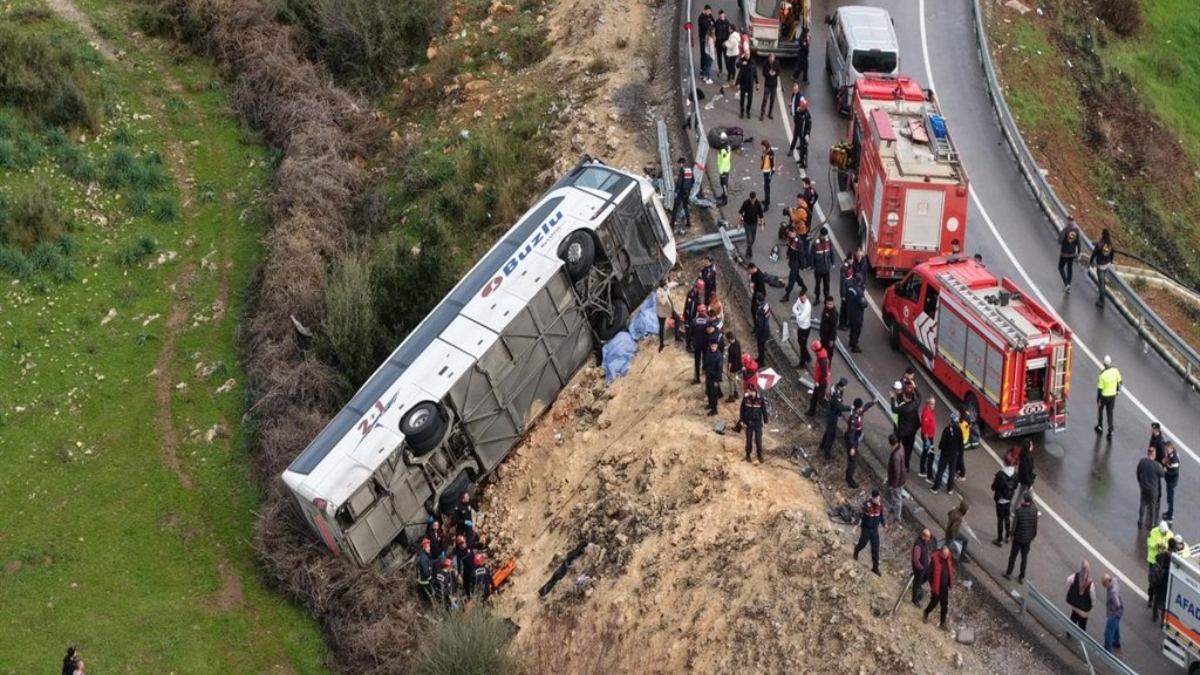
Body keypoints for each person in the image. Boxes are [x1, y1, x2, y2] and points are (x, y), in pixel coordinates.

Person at [1004, 493, 1038, 583]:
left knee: (1013, 556)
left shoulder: (1019, 511)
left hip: (1018, 538)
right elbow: (1035, 525)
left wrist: (1011, 535)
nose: (1021, 500)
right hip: (1028, 539)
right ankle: (1021, 576)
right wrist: (1033, 535)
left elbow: (1014, 526)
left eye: (1022, 499)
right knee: (1024, 558)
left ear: (1025, 500)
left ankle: (1008, 572)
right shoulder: (1034, 510)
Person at [852, 489, 886, 576]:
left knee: (875, 548)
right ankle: (857, 549)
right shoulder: (866, 505)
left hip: (875, 530)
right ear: (873, 498)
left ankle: (875, 567)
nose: (878, 500)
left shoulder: (880, 505)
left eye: (879, 498)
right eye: (876, 499)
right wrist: (856, 526)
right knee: (862, 544)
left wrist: (884, 524)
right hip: (866, 528)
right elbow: (859, 514)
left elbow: (881, 516)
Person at [844, 397, 874, 488]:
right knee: (852, 461)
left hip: (856, 436)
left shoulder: (859, 411)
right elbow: (851, 433)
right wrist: (852, 446)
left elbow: (866, 407)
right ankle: (849, 479)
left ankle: (849, 476)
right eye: (861, 407)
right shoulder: (853, 418)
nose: (862, 409)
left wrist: (873, 402)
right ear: (858, 408)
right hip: (852, 439)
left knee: (852, 460)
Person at [930, 412, 963, 495]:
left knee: (940, 471)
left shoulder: (946, 430)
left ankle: (935, 488)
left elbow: (941, 444)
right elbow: (961, 443)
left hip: (945, 454)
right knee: (951, 472)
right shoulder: (959, 430)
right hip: (954, 454)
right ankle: (950, 489)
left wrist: (941, 448)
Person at [923, 545, 954, 629]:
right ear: (940, 553)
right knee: (934, 603)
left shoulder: (948, 557)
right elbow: (929, 574)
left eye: (947, 555)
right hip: (936, 586)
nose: (946, 557)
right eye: (944, 555)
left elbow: (949, 568)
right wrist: (932, 584)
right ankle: (926, 612)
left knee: (944, 604)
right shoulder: (934, 559)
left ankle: (942, 622)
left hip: (944, 586)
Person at [819, 377, 849, 459]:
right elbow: (840, 407)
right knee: (831, 434)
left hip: (831, 410)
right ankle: (827, 453)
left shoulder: (834, 387)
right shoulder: (836, 394)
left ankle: (822, 445)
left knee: (828, 431)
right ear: (843, 386)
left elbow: (829, 394)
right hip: (832, 414)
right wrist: (851, 408)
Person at [1136, 446, 1165, 529]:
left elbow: (1138, 473)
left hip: (1144, 488)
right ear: (1153, 454)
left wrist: (1140, 482)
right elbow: (1162, 474)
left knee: (1142, 504)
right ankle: (1151, 523)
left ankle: (1140, 521)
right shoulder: (1156, 465)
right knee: (1152, 507)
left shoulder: (1142, 462)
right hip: (1153, 490)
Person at [894, 383, 922, 470]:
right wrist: (915, 387)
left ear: (906, 398)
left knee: (899, 447)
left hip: (903, 431)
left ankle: (898, 462)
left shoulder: (903, 408)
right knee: (908, 449)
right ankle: (906, 465)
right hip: (912, 431)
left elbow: (894, 409)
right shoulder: (915, 404)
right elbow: (920, 397)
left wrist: (892, 398)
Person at [990, 457, 1017, 545]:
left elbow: (993, 487)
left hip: (1000, 499)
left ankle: (999, 539)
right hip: (1009, 498)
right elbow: (1015, 486)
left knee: (1000, 519)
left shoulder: (1001, 474)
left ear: (1004, 463)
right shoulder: (1015, 474)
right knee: (1007, 517)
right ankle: (1007, 536)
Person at [1094, 354, 1122, 439]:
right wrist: (1117, 390)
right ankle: (1110, 430)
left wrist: (1098, 399)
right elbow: (1120, 381)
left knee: (1100, 411)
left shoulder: (1102, 375)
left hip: (1104, 396)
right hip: (1112, 396)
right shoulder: (1116, 371)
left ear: (1104, 364)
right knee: (1110, 413)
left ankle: (1100, 426)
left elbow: (1100, 389)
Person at [1147, 520, 1174, 603]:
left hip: (1163, 562)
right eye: (1163, 533)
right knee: (1153, 581)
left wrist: (1164, 547)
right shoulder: (1153, 532)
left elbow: (1171, 545)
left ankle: (1158, 600)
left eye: (1165, 532)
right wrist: (1157, 545)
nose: (1165, 534)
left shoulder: (1170, 534)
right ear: (1160, 530)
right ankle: (1150, 598)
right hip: (1154, 561)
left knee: (1162, 583)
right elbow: (1149, 544)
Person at [740, 384, 769, 463]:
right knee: (748, 440)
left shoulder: (760, 398)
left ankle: (759, 455)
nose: (747, 392)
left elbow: (764, 410)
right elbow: (742, 409)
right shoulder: (746, 398)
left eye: (749, 391)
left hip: (757, 422)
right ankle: (748, 455)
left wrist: (765, 421)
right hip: (748, 422)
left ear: (753, 391)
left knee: (758, 440)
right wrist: (742, 420)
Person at [1011, 437, 1037, 521]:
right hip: (1026, 480)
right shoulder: (1027, 458)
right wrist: (1029, 483)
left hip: (1025, 479)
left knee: (1021, 494)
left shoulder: (1024, 455)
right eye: (1031, 444)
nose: (1032, 446)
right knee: (1025, 495)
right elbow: (1026, 472)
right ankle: (1015, 510)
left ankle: (1014, 510)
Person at [1066, 560, 1096, 631]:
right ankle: (1081, 639)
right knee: (1082, 625)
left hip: (1075, 605)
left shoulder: (1075, 576)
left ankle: (1069, 632)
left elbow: (1068, 580)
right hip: (1084, 610)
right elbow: (1093, 598)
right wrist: (1092, 605)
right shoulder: (1090, 584)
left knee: (1073, 618)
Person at [1090, 228, 1115, 308]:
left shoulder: (1100, 244)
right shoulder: (1110, 244)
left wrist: (1091, 261)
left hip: (1101, 266)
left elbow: (1094, 253)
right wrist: (1111, 261)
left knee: (1101, 283)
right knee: (1103, 280)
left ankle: (1102, 300)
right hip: (1107, 264)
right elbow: (1112, 253)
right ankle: (1102, 294)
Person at [1058, 216, 1083, 292]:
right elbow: (1078, 243)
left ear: (1068, 221)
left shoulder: (1065, 230)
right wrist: (1079, 252)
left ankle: (1066, 284)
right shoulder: (1077, 231)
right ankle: (1069, 284)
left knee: (1060, 267)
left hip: (1065, 253)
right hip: (1072, 254)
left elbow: (1060, 241)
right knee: (1069, 268)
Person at [886, 433, 907, 523]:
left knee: (897, 498)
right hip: (902, 477)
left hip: (897, 481)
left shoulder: (895, 456)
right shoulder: (901, 447)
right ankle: (893, 508)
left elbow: (897, 472)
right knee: (895, 496)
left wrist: (894, 485)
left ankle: (897, 517)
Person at [810, 228, 834, 302]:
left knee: (826, 285)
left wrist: (833, 263)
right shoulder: (815, 243)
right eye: (825, 236)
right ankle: (817, 298)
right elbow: (812, 256)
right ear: (821, 235)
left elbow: (831, 253)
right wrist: (812, 266)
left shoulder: (828, 242)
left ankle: (826, 299)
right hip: (818, 269)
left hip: (826, 268)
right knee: (817, 284)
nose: (826, 237)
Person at [806, 340, 830, 416]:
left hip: (822, 382)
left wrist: (818, 382)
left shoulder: (821, 360)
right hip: (820, 381)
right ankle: (811, 411)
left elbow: (824, 374)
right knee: (814, 398)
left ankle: (831, 408)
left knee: (820, 400)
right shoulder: (822, 354)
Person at [739, 192, 765, 260]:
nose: (753, 201)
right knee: (749, 240)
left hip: (754, 224)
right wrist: (739, 223)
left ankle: (748, 251)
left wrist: (762, 225)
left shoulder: (758, 204)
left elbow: (761, 215)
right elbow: (740, 213)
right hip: (747, 223)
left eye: (754, 200)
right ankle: (749, 254)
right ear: (749, 198)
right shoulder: (746, 203)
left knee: (752, 239)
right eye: (751, 200)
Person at [1102, 573, 1123, 655]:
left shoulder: (1112, 592)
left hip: (1114, 613)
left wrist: (1111, 610)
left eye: (1104, 584)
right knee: (1116, 626)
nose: (1104, 586)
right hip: (1119, 612)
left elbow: (1117, 604)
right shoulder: (1114, 580)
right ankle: (1116, 642)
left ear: (1107, 582)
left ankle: (1107, 651)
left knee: (1108, 633)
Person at [845, 274, 867, 353]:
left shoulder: (850, 288)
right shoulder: (859, 292)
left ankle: (851, 342)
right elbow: (863, 304)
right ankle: (854, 345)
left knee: (852, 328)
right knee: (856, 330)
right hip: (857, 315)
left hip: (850, 312)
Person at [912, 529, 933, 606]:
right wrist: (921, 568)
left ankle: (919, 594)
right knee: (917, 584)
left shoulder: (923, 543)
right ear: (923, 536)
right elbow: (915, 559)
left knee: (921, 581)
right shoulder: (918, 545)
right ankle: (915, 600)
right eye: (928, 537)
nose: (929, 539)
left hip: (924, 568)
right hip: (919, 569)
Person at [789, 95, 812, 168]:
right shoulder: (800, 111)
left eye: (802, 107)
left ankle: (804, 163)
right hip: (799, 130)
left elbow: (809, 125)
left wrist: (807, 134)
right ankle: (800, 160)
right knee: (801, 148)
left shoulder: (807, 115)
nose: (800, 107)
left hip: (804, 134)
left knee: (804, 149)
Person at [791, 293, 812, 369]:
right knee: (801, 343)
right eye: (801, 298)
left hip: (805, 328)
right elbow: (793, 308)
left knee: (802, 346)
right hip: (800, 326)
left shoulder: (808, 306)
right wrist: (798, 313)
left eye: (804, 298)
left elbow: (801, 318)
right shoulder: (799, 300)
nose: (803, 299)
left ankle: (802, 363)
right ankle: (807, 357)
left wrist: (798, 314)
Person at [690, 303, 709, 384]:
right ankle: (705, 372)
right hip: (705, 344)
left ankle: (697, 378)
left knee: (697, 362)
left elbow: (691, 332)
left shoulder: (694, 321)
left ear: (698, 311)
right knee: (706, 359)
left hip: (697, 344)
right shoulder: (708, 321)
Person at [703, 340, 724, 415]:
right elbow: (706, 360)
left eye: (715, 346)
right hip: (708, 375)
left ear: (717, 346)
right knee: (708, 391)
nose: (713, 348)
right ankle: (710, 404)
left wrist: (717, 381)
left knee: (714, 394)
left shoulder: (718, 356)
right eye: (712, 346)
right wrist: (704, 368)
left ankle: (714, 409)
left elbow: (719, 370)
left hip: (714, 378)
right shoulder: (708, 352)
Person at [919, 398, 937, 479]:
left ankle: (923, 469)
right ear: (928, 404)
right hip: (928, 438)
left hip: (929, 437)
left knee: (926, 452)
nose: (934, 405)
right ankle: (928, 475)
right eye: (932, 404)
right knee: (931, 455)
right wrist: (927, 441)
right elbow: (924, 428)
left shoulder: (929, 411)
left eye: (934, 403)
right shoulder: (926, 414)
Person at [735, 54, 757, 119]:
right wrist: (742, 63)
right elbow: (737, 65)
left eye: (748, 54)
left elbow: (755, 73)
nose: (747, 56)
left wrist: (757, 82)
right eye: (746, 55)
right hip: (743, 83)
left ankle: (748, 111)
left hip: (750, 84)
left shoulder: (752, 61)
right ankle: (741, 112)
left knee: (750, 99)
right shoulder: (742, 60)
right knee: (742, 99)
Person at [654, 281, 674, 351]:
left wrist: (678, 283)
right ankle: (661, 344)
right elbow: (662, 302)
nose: (666, 285)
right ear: (662, 285)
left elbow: (671, 285)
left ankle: (677, 337)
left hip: (668, 310)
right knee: (661, 328)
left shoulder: (665, 288)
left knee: (676, 318)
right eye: (665, 284)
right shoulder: (658, 292)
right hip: (661, 314)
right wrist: (665, 293)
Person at [674, 157, 694, 228]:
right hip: (687, 192)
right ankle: (689, 223)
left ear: (681, 163)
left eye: (679, 164)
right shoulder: (690, 170)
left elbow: (679, 182)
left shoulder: (682, 170)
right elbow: (693, 181)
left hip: (682, 192)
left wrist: (676, 190)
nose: (679, 166)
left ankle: (672, 224)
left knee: (676, 206)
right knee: (685, 206)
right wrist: (689, 189)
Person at [1163, 442, 1180, 522]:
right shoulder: (1170, 455)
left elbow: (1175, 472)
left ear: (1171, 448)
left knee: (1170, 498)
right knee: (1169, 498)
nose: (1165, 451)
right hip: (1169, 480)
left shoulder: (1174, 459)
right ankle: (1169, 512)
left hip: (1171, 481)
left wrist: (1166, 471)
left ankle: (1170, 516)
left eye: (1166, 449)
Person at [759, 54, 780, 121]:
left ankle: (770, 113)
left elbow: (779, 72)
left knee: (772, 99)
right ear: (768, 58)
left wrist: (775, 73)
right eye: (770, 57)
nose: (771, 59)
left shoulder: (777, 63)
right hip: (767, 84)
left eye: (772, 57)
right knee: (765, 99)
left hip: (774, 85)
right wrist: (768, 73)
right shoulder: (765, 63)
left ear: (774, 58)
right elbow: (763, 73)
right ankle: (762, 113)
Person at [753, 293, 771, 365]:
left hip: (762, 331)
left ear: (758, 300)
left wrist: (757, 334)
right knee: (762, 346)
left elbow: (760, 325)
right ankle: (760, 358)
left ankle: (761, 362)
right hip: (766, 328)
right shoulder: (766, 304)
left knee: (761, 347)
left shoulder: (760, 310)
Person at [725, 332, 743, 402]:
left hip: (733, 367)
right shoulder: (738, 342)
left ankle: (731, 396)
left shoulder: (731, 349)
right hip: (738, 365)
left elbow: (730, 362)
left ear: (729, 339)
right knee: (735, 379)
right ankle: (736, 393)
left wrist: (728, 371)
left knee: (731, 382)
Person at [416, 537, 435, 602]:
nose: (429, 548)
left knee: (423, 597)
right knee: (430, 596)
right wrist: (430, 579)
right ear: (424, 547)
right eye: (428, 547)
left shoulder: (421, 556)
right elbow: (426, 571)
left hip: (420, 581)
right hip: (425, 582)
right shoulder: (424, 558)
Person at [714, 9, 731, 79]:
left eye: (723, 16)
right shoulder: (717, 22)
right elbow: (715, 31)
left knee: (726, 58)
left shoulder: (727, 23)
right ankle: (720, 69)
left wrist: (726, 41)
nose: (722, 18)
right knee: (719, 57)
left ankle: (728, 71)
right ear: (719, 16)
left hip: (725, 43)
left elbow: (729, 33)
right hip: (718, 43)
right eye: (720, 16)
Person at [759, 140, 776, 205]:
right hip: (765, 170)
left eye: (763, 146)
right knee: (766, 188)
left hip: (768, 172)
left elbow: (773, 164)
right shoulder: (765, 152)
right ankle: (766, 200)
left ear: (765, 146)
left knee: (767, 188)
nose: (762, 148)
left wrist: (771, 175)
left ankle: (767, 203)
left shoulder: (770, 154)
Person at [716, 136, 731, 205]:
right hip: (726, 168)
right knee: (723, 184)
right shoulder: (728, 146)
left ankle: (725, 200)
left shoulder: (723, 150)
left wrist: (721, 171)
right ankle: (723, 195)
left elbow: (723, 161)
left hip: (724, 170)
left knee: (724, 184)